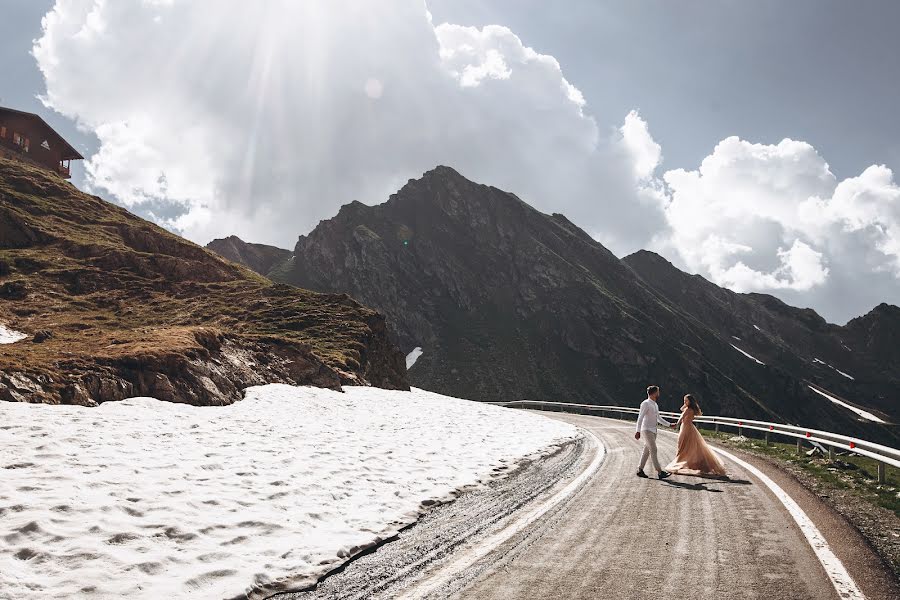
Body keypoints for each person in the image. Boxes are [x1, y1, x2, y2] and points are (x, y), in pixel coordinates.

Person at [665, 394, 727, 477]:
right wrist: (686, 404)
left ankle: (678, 462)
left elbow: (681, 416)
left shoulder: (688, 410)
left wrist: (676, 424)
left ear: (690, 401)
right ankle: (688, 462)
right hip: (690, 428)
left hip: (685, 429)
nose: (684, 402)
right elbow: (681, 409)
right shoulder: (691, 409)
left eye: (686, 400)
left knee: (682, 445)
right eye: (684, 400)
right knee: (691, 447)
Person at [634, 385, 674, 480]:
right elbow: (640, 417)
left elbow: (658, 418)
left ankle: (640, 470)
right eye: (658, 391)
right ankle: (660, 472)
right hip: (646, 430)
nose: (659, 393)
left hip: (654, 431)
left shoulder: (655, 404)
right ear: (654, 392)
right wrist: (637, 431)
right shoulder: (646, 403)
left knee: (646, 451)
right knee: (654, 449)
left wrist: (669, 424)